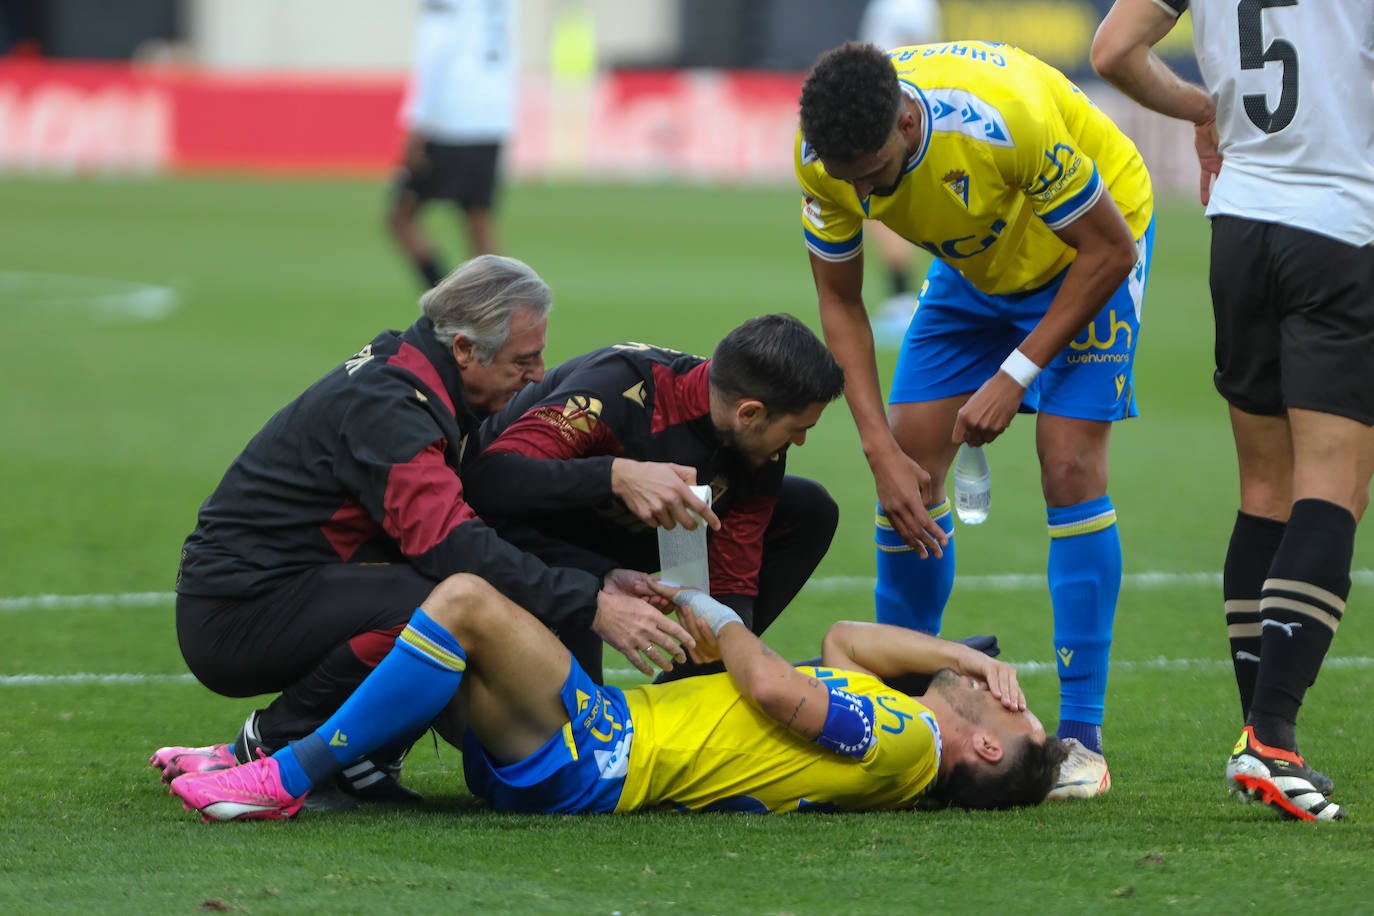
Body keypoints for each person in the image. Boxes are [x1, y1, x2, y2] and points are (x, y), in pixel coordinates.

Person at [150, 255, 693, 808]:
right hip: (234, 613)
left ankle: (363, 761)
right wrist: (591, 603)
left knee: (455, 591)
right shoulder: (391, 406)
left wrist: (598, 577)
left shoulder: (425, 379)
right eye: (523, 360)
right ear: (463, 349)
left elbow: (485, 524)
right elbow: (453, 548)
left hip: (289, 587)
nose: (537, 374)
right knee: (441, 602)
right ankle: (271, 743)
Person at [796, 40, 1156, 799]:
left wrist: (1015, 373)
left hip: (1085, 250)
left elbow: (1111, 251)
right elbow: (839, 303)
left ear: (903, 122)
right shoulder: (821, 154)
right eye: (845, 179)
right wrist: (876, 452)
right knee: (910, 463)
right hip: (975, 263)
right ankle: (900, 696)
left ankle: (1081, 739)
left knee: (1068, 464)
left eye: (872, 175)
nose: (861, 196)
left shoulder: (1003, 120)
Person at [1091, 0, 1374, 822]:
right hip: (1342, 227)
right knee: (1336, 485)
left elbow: (1112, 52)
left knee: (1264, 488)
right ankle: (1271, 740)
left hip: (1241, 224)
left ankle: (1265, 734)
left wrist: (1202, 108)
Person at [164, 573, 1068, 820]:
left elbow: (769, 685)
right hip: (595, 741)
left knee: (466, 601)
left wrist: (713, 611)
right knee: (432, 607)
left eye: (1021, 712)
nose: (1011, 690)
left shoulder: (909, 744)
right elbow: (843, 644)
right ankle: (272, 761)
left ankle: (283, 777)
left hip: (603, 757)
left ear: (985, 749)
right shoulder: (901, 720)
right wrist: (960, 652)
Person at [461, 314, 847, 683]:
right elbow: (487, 481)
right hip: (518, 535)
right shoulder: (619, 387)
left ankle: (684, 693)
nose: (799, 441)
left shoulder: (758, 449)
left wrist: (726, 635)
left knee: (808, 508)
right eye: (798, 429)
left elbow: (735, 579)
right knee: (572, 730)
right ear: (749, 413)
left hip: (614, 537)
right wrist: (617, 475)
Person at [386, 0, 518, 289]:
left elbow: (435, 52)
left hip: (451, 116)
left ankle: (446, 303)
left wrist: (416, 124)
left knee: (400, 218)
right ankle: (495, 313)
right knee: (478, 221)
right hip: (494, 115)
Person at [856, 0, 943, 346]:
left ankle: (903, 301)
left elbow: (912, 47)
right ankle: (905, 299)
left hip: (891, 113)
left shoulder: (905, 4)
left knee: (878, 206)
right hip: (893, 108)